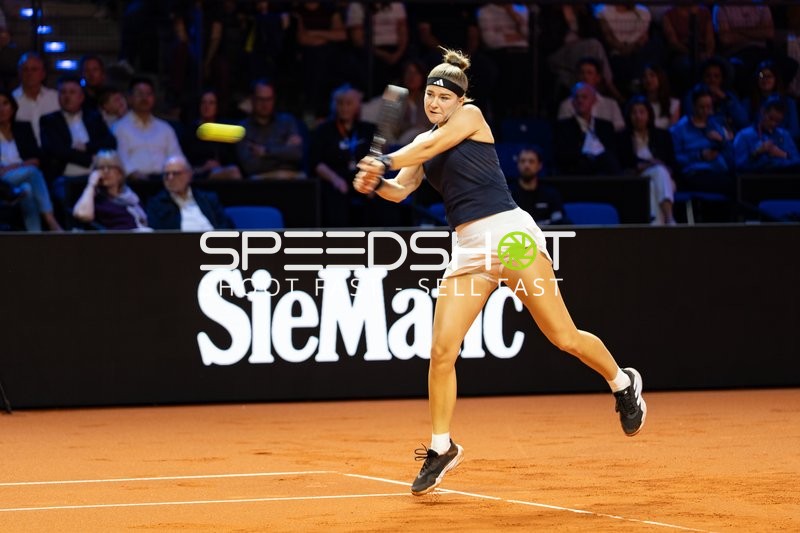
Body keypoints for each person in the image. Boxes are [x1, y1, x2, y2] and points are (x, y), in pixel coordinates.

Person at [353, 49, 646, 497]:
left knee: (563, 336)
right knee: (441, 352)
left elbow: (425, 148)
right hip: (469, 250)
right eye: (428, 96)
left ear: (457, 99)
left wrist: (384, 160)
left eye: (440, 96)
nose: (433, 103)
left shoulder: (471, 116)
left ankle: (622, 383)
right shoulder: (421, 142)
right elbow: (400, 191)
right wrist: (375, 183)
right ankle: (441, 446)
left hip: (511, 237)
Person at [309, 84, 374, 227]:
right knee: (335, 197)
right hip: (335, 179)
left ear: (357, 105)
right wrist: (335, 179)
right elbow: (316, 163)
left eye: (349, 103)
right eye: (340, 103)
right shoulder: (323, 130)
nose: (344, 107)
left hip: (363, 178)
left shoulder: (368, 130)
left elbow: (378, 158)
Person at [0, 89, 62, 231]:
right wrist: (21, 165)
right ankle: (50, 219)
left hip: (20, 176)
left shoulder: (23, 128)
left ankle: (35, 236)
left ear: (13, 107)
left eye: (5, 104)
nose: (1, 109)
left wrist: (14, 166)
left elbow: (36, 159)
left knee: (27, 189)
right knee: (32, 172)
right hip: (2, 182)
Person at [112, 77, 186, 181]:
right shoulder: (119, 127)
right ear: (130, 98)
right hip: (133, 183)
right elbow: (121, 158)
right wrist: (136, 176)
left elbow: (176, 156)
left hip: (165, 182)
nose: (144, 98)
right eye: (140, 94)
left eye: (148, 94)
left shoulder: (165, 128)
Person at [618, 96, 677, 225]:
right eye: (634, 112)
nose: (638, 116)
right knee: (650, 180)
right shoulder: (622, 138)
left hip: (663, 180)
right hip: (636, 179)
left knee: (657, 176)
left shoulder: (663, 136)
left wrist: (660, 166)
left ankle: (657, 227)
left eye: (642, 112)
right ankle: (669, 220)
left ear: (649, 114)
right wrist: (648, 165)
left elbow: (672, 164)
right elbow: (625, 166)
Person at [670, 84, 734, 196]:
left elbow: (731, 155)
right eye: (701, 107)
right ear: (693, 106)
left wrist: (723, 142)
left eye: (709, 107)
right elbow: (675, 158)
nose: (705, 111)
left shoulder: (716, 125)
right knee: (725, 185)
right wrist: (700, 155)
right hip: (694, 173)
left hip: (718, 170)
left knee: (737, 183)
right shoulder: (679, 129)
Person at [235, 78, 305, 179]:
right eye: (261, 99)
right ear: (252, 99)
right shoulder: (242, 128)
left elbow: (297, 154)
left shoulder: (287, 121)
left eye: (269, 99)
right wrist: (284, 149)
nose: (265, 104)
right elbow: (250, 166)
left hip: (290, 176)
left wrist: (265, 151)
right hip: (261, 178)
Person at [146, 155, 233, 230]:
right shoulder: (156, 204)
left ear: (189, 175)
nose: (170, 178)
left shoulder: (207, 199)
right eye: (166, 174)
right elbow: (158, 236)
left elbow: (226, 226)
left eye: (176, 173)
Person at [72, 149, 150, 230]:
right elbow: (83, 215)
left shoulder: (131, 196)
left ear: (120, 173)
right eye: (101, 168)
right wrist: (91, 184)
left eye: (110, 167)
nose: (105, 171)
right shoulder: (94, 198)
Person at [554, 82, 621, 175]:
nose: (580, 101)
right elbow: (563, 157)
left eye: (584, 97)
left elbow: (612, 156)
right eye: (577, 97)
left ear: (593, 100)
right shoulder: (562, 127)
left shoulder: (606, 126)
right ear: (572, 102)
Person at [181, 89, 242, 180]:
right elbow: (184, 164)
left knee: (234, 171)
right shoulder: (190, 132)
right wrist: (203, 168)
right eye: (203, 102)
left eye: (211, 103)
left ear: (217, 106)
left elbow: (233, 159)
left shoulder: (223, 129)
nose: (207, 106)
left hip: (221, 173)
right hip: (197, 175)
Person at [733, 96, 800, 173]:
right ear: (763, 112)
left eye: (778, 121)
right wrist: (757, 153)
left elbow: (797, 161)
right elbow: (739, 166)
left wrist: (784, 154)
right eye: (770, 118)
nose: (773, 124)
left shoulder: (784, 135)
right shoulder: (744, 135)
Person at [557, 57, 625, 132]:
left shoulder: (611, 105)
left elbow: (620, 130)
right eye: (582, 73)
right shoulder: (567, 105)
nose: (585, 77)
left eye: (589, 73)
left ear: (598, 78)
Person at [506, 145, 566, 225]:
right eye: (523, 161)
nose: (527, 165)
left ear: (539, 165)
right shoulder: (508, 195)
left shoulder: (551, 195)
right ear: (518, 164)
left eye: (531, 161)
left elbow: (560, 222)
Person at [12, 52, 60, 145]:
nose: (29, 73)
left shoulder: (56, 98)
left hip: (54, 155)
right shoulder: (10, 101)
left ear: (43, 74)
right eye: (25, 69)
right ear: (19, 73)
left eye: (34, 69)